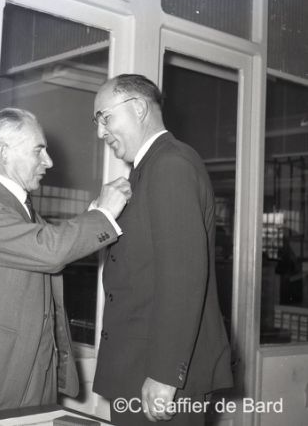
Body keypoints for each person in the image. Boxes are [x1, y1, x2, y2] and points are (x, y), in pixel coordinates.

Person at [0, 107, 131, 415]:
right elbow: (49, 250)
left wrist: (94, 213)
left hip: (34, 374)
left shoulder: (18, 207)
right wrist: (103, 215)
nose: (49, 161)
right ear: (3, 152)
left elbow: (48, 244)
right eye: (38, 150)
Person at [92, 75, 233, 425]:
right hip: (139, 367)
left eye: (105, 118)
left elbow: (183, 278)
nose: (100, 132)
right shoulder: (148, 169)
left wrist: (165, 374)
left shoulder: (170, 164)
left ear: (139, 108)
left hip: (158, 376)